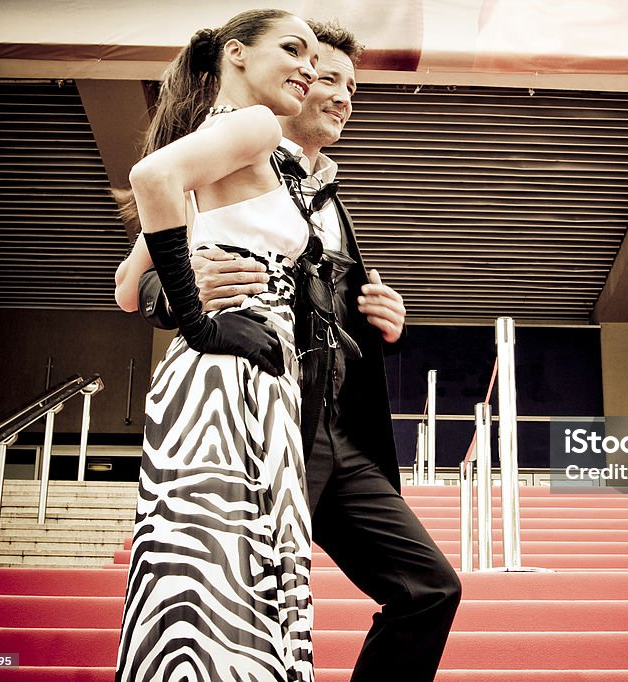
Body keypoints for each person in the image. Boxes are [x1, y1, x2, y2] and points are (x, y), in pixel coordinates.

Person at [137, 21, 461, 682]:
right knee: (252, 608)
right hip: (263, 414)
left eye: (349, 85)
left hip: (336, 429)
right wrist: (179, 298)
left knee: (429, 589)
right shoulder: (231, 143)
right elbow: (138, 277)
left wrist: (386, 324)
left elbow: (323, 307)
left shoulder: (332, 197)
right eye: (324, 75)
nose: (339, 94)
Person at [112, 9, 320, 681]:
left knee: (200, 565)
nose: (308, 69)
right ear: (235, 54)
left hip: (214, 377)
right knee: (232, 562)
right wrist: (196, 317)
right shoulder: (255, 125)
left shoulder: (215, 138)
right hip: (227, 371)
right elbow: (149, 179)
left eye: (314, 59)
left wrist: (179, 294)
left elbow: (125, 286)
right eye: (293, 49)